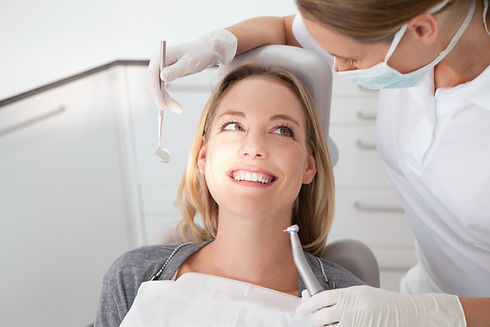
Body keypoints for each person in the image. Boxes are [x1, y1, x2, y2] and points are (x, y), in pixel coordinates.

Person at [145, 0, 490, 326]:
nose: (338, 69)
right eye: (234, 126)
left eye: (351, 59)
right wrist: (219, 43)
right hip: (423, 291)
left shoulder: (339, 285)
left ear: (422, 30)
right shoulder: (138, 275)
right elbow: (283, 29)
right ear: (202, 153)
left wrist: (433, 314)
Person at [95, 63, 364, 326]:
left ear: (309, 166)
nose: (253, 147)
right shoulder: (130, 276)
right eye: (234, 126)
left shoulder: (352, 304)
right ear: (203, 156)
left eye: (282, 130)